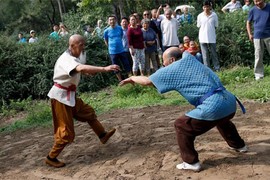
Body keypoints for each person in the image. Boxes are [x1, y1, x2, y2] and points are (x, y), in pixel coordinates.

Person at [119, 47, 247, 172]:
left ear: (172, 60)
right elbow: (184, 51)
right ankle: (239, 145)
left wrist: (132, 78)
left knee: (181, 125)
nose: (164, 66)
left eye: (164, 63)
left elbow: (147, 81)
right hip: (229, 101)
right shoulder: (190, 59)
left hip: (214, 105)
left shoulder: (174, 68)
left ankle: (191, 162)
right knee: (221, 119)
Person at [46, 34, 119, 168]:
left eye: (83, 44)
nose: (83, 47)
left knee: (88, 113)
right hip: (60, 98)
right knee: (65, 132)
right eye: (81, 45)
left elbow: (80, 70)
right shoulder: (65, 59)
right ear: (72, 45)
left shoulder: (75, 56)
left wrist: (88, 72)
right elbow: (81, 68)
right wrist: (104, 68)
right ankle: (51, 157)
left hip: (69, 96)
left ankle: (102, 135)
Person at [246, 0, 270, 80]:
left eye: (259, 1)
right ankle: (259, 75)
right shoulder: (252, 10)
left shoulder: (269, 7)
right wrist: (250, 34)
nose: (257, 3)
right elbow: (248, 22)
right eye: (255, 1)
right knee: (258, 56)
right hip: (257, 36)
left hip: (269, 35)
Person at [104, 15, 132, 81]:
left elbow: (121, 36)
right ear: (108, 22)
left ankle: (130, 78)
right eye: (110, 20)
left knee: (126, 64)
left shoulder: (120, 28)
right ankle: (120, 81)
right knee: (115, 67)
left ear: (116, 21)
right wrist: (109, 47)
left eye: (113, 19)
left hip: (121, 50)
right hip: (112, 52)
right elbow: (105, 40)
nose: (112, 21)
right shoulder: (106, 31)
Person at [197, 1, 220, 71]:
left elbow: (216, 25)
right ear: (202, 8)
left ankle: (217, 68)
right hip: (202, 37)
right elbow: (198, 26)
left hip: (212, 37)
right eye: (204, 7)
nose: (206, 8)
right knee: (205, 55)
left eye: (207, 6)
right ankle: (207, 69)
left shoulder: (214, 15)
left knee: (214, 54)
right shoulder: (200, 16)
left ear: (210, 7)